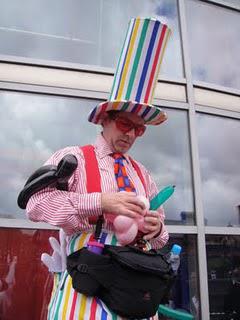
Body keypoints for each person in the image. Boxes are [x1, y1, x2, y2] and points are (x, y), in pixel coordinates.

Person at [26, 17, 171, 320]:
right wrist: (101, 201)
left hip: (134, 287)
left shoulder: (143, 174)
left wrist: (157, 231)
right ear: (104, 119)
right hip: (85, 289)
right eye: (124, 124)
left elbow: (160, 235)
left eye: (139, 130)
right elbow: (35, 203)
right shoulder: (73, 157)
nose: (130, 135)